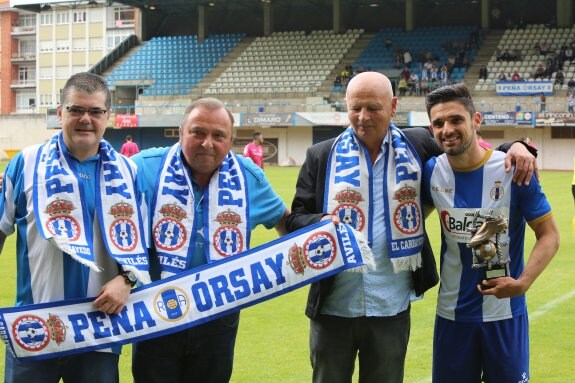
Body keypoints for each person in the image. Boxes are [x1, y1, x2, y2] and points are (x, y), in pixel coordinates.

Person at [285, 72, 538, 383]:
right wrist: (319, 222)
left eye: (374, 108)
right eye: (355, 108)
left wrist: (514, 146)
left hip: (390, 306)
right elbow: (296, 218)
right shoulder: (321, 155)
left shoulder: (417, 144)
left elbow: (465, 147)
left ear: (393, 106)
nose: (363, 117)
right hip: (334, 305)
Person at [0, 72, 148, 383]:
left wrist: (126, 280)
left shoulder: (128, 172)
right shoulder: (26, 163)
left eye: (95, 111)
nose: (85, 119)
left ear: (108, 116)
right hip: (34, 327)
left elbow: (141, 244)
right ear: (59, 113)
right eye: (75, 110)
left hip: (98, 329)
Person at [131, 98, 289, 383]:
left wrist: (323, 228)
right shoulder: (142, 168)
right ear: (181, 131)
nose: (208, 143)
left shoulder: (249, 177)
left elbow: (286, 223)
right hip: (155, 316)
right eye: (198, 132)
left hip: (219, 318)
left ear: (230, 140)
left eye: (219, 136)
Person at [423, 83, 559, 383]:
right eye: (438, 123)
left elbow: (549, 235)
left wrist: (523, 283)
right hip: (452, 316)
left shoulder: (513, 170)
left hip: (505, 314)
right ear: (431, 129)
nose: (447, 129)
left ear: (476, 120)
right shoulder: (431, 172)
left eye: (456, 119)